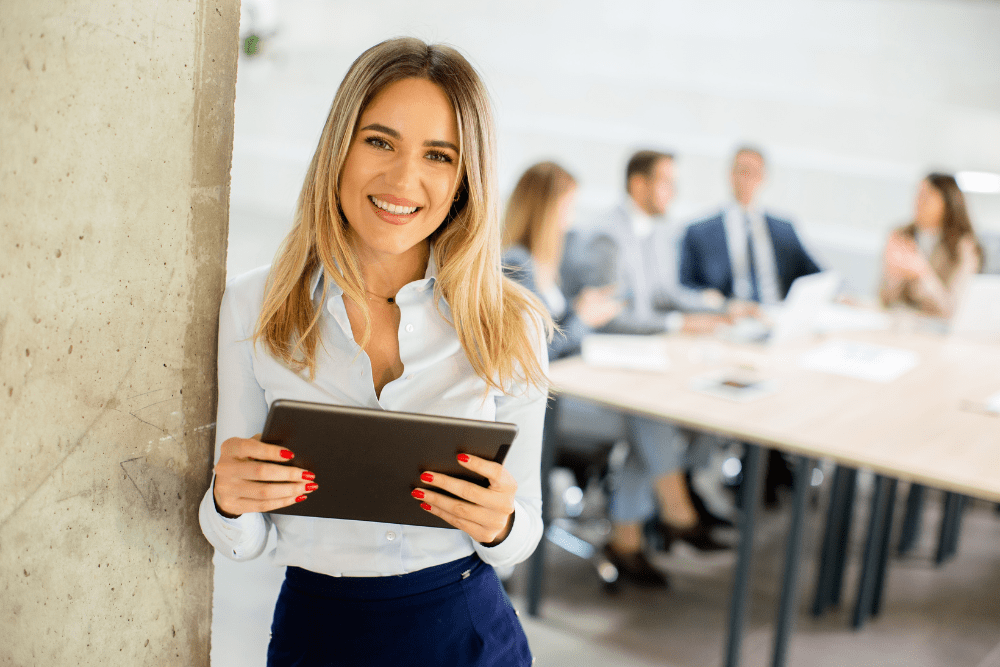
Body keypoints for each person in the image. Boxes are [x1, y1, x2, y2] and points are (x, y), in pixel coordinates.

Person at [198, 38, 550, 667]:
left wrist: (498, 523)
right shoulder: (254, 306)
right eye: (379, 141)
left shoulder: (508, 322)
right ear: (339, 148)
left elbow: (521, 534)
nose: (402, 180)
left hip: (466, 633)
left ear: (465, 179)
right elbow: (240, 540)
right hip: (319, 632)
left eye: (438, 155)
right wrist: (228, 499)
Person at [561, 150, 730, 589]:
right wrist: (677, 323)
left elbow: (666, 293)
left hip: (633, 366)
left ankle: (629, 540)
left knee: (655, 416)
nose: (672, 194)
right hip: (587, 376)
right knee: (648, 416)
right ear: (638, 185)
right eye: (665, 183)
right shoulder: (607, 238)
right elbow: (609, 316)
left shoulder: (656, 232)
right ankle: (677, 511)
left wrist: (722, 309)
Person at [501, 161, 623, 359]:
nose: (572, 218)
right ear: (546, 211)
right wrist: (584, 320)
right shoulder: (515, 263)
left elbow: (553, 326)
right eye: (569, 206)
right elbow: (535, 352)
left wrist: (579, 306)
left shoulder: (541, 263)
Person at [679, 146, 821, 308]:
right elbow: (684, 287)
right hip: (728, 318)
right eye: (742, 171)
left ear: (763, 177)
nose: (746, 178)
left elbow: (817, 274)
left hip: (775, 312)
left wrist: (840, 294)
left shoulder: (784, 229)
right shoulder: (699, 232)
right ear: (730, 174)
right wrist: (710, 301)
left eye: (754, 172)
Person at [879, 173, 982, 318]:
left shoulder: (964, 246)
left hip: (938, 334)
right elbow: (884, 299)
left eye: (926, 196)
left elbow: (950, 311)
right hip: (901, 326)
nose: (918, 202)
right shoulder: (902, 236)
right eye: (918, 195)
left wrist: (922, 272)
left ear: (947, 203)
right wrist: (895, 274)